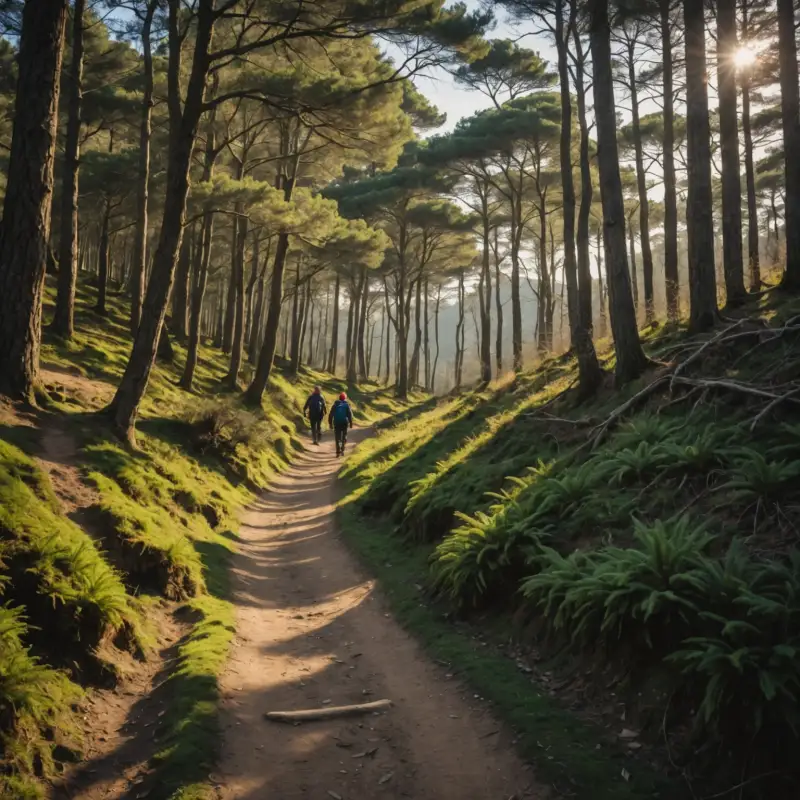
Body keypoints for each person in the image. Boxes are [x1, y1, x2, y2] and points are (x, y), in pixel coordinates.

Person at [329, 392, 353, 457]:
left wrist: (330, 423)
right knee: (344, 436)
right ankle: (342, 448)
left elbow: (331, 415)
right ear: (345, 398)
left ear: (339, 398)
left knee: (337, 438)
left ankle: (338, 452)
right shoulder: (346, 405)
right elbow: (350, 415)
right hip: (344, 423)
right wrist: (351, 423)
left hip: (336, 423)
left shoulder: (335, 405)